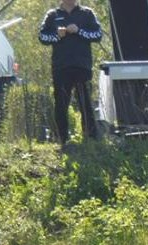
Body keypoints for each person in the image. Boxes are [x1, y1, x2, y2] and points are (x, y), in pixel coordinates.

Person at [39, 0, 104, 145]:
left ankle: (90, 138)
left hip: (82, 66)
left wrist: (79, 31)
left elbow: (98, 35)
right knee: (61, 103)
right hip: (61, 67)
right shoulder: (52, 15)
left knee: (85, 102)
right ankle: (61, 138)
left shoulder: (86, 13)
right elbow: (42, 38)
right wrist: (57, 35)